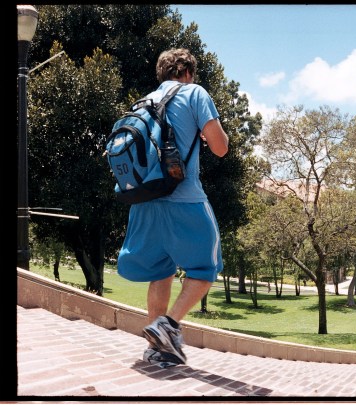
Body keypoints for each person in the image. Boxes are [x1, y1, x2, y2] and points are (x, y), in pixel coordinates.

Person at [116, 48, 229, 369]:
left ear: (161, 73)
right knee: (206, 269)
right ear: (188, 72)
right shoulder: (195, 93)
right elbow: (220, 148)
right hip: (184, 197)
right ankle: (168, 324)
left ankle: (156, 350)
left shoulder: (145, 101)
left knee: (160, 270)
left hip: (144, 199)